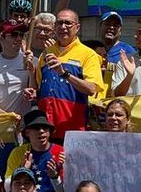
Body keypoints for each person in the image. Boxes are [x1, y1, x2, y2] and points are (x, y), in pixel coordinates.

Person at [36, 9, 106, 141]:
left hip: (73, 130)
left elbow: (91, 89)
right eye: (59, 23)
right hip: (45, 131)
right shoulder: (45, 53)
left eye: (68, 23)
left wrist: (64, 73)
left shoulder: (88, 54)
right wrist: (33, 92)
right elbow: (40, 89)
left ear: (77, 27)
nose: (63, 27)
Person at [4, 109, 67, 192]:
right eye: (36, 128)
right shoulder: (18, 153)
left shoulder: (61, 152)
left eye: (45, 128)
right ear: (27, 132)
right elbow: (8, 190)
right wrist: (22, 170)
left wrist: (55, 177)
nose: (41, 131)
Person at [0, 20, 36, 119]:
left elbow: (34, 94)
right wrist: (8, 117)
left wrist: (32, 73)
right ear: (1, 37)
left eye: (21, 35)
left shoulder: (31, 61)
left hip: (23, 126)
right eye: (14, 35)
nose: (19, 39)